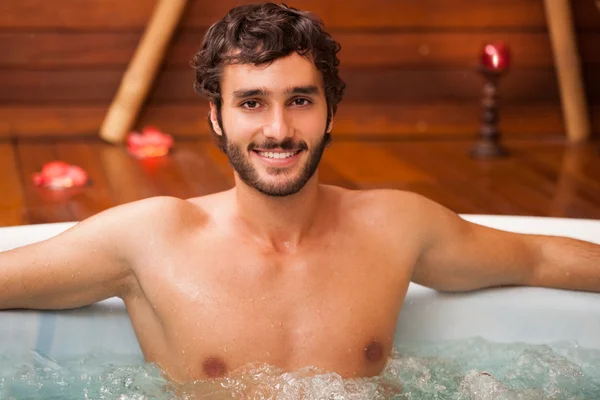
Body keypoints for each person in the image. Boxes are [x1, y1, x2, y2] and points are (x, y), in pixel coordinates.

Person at [1, 2, 599, 384]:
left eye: (301, 101)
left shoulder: (394, 227)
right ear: (216, 116)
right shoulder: (150, 240)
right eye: (252, 102)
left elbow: (538, 257)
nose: (279, 130)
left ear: (330, 112)